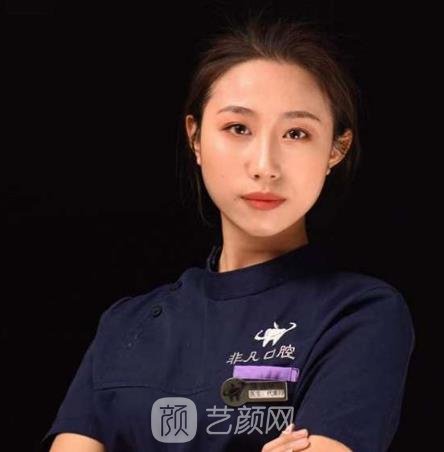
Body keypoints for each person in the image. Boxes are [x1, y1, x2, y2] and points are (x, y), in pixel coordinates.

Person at [40, 15, 415, 452]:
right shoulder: (125, 325)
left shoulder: (359, 315)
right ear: (196, 138)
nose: (265, 166)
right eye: (238, 128)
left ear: (336, 149)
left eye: (296, 133)